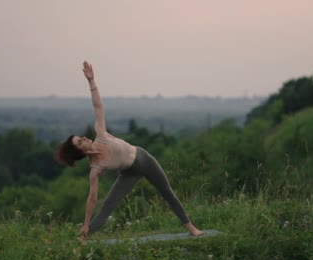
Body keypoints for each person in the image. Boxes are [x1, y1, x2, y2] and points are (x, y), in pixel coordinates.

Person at [55, 61, 204, 243]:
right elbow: (92, 198)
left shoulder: (100, 134)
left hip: (144, 159)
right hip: (128, 173)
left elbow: (98, 106)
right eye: (80, 141)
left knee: (167, 192)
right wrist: (86, 222)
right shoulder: (95, 168)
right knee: (108, 206)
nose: (84, 138)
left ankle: (190, 227)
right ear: (79, 151)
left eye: (81, 137)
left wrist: (91, 81)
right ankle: (84, 237)